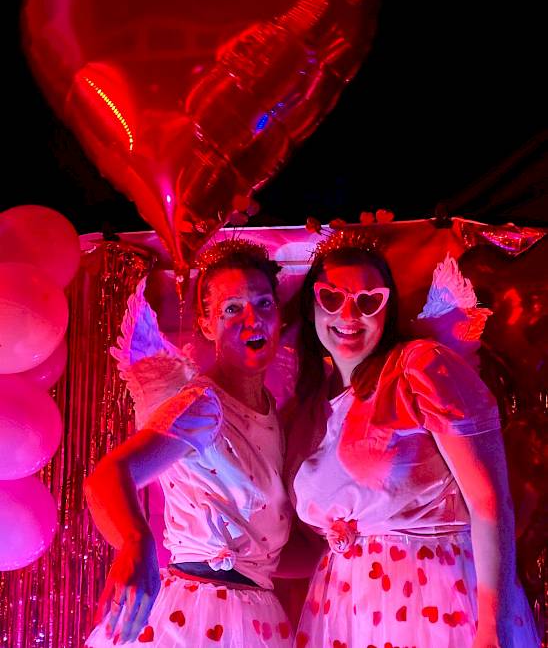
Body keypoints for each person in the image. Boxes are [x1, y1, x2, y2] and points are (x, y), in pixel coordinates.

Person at [286, 228, 539, 648]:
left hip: (434, 595)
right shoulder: (308, 407)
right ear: (311, 306)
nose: (349, 314)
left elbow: (489, 502)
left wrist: (492, 627)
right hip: (348, 608)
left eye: (368, 301)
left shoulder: (420, 367)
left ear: (387, 310)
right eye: (332, 298)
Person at [84, 239, 294, 647]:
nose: (253, 319)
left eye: (264, 304)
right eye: (232, 309)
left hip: (256, 613)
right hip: (199, 613)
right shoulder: (204, 405)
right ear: (206, 325)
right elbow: (108, 476)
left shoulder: (271, 411)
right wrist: (136, 543)